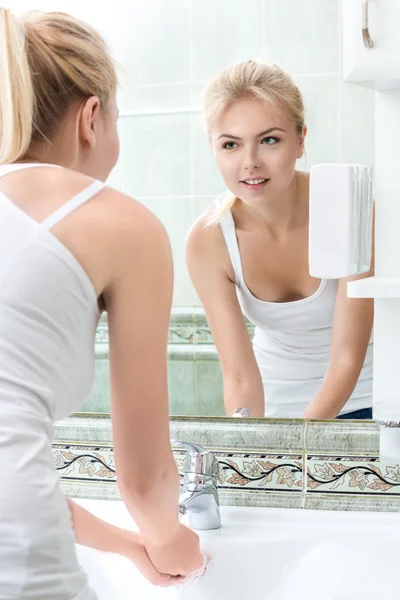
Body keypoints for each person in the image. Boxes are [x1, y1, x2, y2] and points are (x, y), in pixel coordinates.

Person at [0, 7, 204, 599]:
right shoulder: (121, 223)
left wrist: (126, 547)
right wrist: (168, 539)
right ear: (93, 117)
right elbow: (144, 478)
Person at [186, 60, 374, 420]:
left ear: (301, 140)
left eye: (269, 140)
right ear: (213, 148)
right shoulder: (209, 240)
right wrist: (255, 444)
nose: (250, 162)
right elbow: (239, 375)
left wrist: (297, 446)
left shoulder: (348, 205)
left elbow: (348, 356)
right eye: (231, 145)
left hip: (372, 398)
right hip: (277, 406)